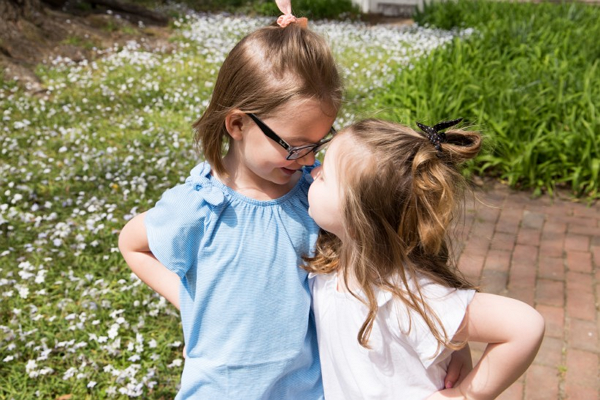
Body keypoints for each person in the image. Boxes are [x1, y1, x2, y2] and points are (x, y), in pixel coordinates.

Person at [305, 118, 545, 400]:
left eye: (325, 176)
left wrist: (466, 395)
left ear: (359, 219)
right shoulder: (334, 260)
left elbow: (525, 326)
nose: (314, 172)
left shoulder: (405, 293)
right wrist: (456, 343)